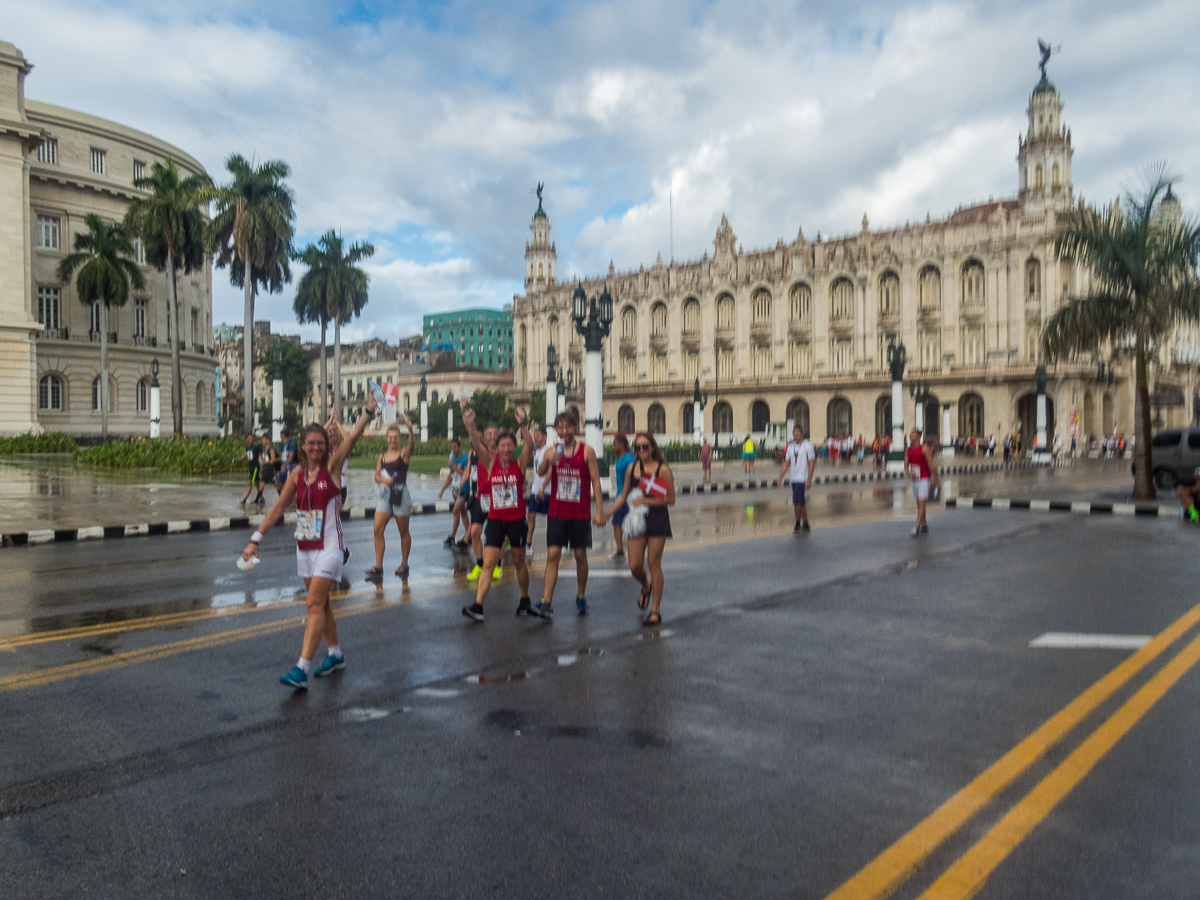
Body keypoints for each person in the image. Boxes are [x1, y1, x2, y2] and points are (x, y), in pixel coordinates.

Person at [241, 395, 377, 689]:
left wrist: (368, 412)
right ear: (302, 445)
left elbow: (352, 438)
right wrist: (255, 540)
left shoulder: (334, 467)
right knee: (322, 605)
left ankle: (301, 668)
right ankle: (335, 655)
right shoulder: (296, 475)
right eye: (311, 443)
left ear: (328, 446)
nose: (317, 447)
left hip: (330, 546)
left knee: (313, 604)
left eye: (321, 443)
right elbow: (277, 509)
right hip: (304, 547)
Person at [461, 406, 536, 621]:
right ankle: (478, 606)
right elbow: (476, 443)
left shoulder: (519, 464)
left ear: (513, 447)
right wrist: (471, 424)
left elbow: (529, 445)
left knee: (519, 562)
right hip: (495, 520)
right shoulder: (491, 462)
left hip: (516, 521)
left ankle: (524, 599)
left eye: (509, 445)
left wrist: (522, 424)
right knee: (488, 563)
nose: (504, 448)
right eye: (502, 445)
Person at [536, 410, 606, 618]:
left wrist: (600, 511)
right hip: (557, 511)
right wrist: (546, 459)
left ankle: (581, 595)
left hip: (579, 513)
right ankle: (546, 601)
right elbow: (540, 474)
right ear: (556, 429)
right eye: (560, 428)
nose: (564, 431)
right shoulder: (553, 450)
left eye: (568, 427)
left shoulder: (586, 451)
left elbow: (595, 481)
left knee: (579, 555)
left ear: (575, 428)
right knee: (553, 555)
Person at [606, 432, 675, 626]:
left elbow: (670, 499)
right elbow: (622, 496)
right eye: (638, 447)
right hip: (636, 522)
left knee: (654, 563)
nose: (642, 450)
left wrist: (645, 499)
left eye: (645, 446)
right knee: (634, 565)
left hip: (656, 520)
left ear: (653, 447)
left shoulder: (662, 469)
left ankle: (656, 610)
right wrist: (606, 514)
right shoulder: (632, 468)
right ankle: (646, 586)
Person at [366, 416, 416, 579]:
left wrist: (409, 429)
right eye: (390, 437)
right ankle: (379, 566)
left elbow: (412, 447)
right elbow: (376, 476)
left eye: (396, 437)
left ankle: (405, 563)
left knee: (403, 531)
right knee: (377, 529)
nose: (393, 439)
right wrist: (383, 479)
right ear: (387, 438)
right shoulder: (382, 456)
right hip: (385, 494)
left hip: (400, 493)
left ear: (399, 439)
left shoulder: (403, 453)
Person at [463, 419, 504, 583]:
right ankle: (479, 564)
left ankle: (498, 565)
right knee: (474, 532)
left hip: (498, 498)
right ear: (484, 437)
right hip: (481, 498)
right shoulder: (480, 451)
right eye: (489, 434)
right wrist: (470, 422)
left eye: (495, 433)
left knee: (499, 535)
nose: (492, 436)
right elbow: (473, 437)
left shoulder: (504, 452)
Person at [777, 424, 816, 532]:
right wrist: (781, 477)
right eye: (794, 434)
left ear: (802, 434)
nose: (796, 436)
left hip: (802, 478)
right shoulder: (790, 446)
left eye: (798, 434)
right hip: (794, 478)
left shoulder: (808, 446)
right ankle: (806, 523)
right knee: (801, 503)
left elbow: (812, 464)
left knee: (796, 502)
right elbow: (786, 463)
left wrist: (809, 480)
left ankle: (798, 523)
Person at [904, 428, 941, 537]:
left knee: (921, 502)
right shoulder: (909, 450)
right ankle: (924, 524)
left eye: (913, 434)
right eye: (910, 434)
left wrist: (937, 481)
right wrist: (909, 473)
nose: (911, 436)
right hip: (915, 479)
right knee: (920, 504)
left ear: (919, 436)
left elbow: (932, 465)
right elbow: (906, 465)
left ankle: (916, 527)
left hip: (924, 479)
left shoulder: (924, 449)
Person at [327, 420, 352, 565]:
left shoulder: (344, 448)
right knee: (330, 520)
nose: (332, 433)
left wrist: (337, 422)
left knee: (334, 518)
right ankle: (339, 549)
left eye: (334, 430)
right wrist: (330, 421)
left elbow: (348, 438)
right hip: (327, 486)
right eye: (330, 431)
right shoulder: (324, 448)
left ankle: (341, 550)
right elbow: (319, 433)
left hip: (340, 486)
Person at [525, 422, 551, 554]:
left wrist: (543, 487)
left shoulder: (548, 450)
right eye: (534, 435)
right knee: (531, 514)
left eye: (538, 435)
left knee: (552, 518)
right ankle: (528, 544)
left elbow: (551, 471)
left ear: (545, 436)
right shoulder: (537, 452)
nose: (535, 437)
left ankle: (558, 542)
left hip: (547, 490)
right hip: (535, 489)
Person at [609, 434, 636, 559]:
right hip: (620, 496)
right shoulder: (620, 459)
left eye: (615, 443)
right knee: (617, 522)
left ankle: (635, 548)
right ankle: (620, 549)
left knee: (632, 524)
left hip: (629, 497)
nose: (613, 446)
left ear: (622, 444)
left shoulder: (629, 459)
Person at [439, 439, 468, 547]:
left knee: (456, 510)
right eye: (451, 447)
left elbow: (466, 473)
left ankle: (452, 536)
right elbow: (451, 476)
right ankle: (468, 534)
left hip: (464, 489)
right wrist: (442, 490)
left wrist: (455, 466)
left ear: (459, 447)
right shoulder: (453, 460)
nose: (453, 449)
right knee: (463, 513)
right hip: (455, 490)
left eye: (455, 447)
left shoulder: (465, 459)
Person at [240, 435, 261, 505]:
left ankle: (245, 499)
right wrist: (238, 460)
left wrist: (261, 466)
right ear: (247, 440)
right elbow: (245, 455)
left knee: (250, 482)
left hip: (256, 467)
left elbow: (260, 456)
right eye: (249, 438)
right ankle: (262, 498)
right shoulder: (248, 448)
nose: (250, 440)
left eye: (251, 438)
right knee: (257, 483)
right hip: (251, 467)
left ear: (254, 439)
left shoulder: (257, 447)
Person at [274, 429, 296, 495]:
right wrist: (276, 459)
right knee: (278, 485)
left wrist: (285, 466)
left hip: (289, 467)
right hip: (284, 467)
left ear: (283, 435)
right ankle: (283, 500)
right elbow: (284, 457)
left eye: (281, 435)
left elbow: (290, 457)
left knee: (288, 485)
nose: (280, 437)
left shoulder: (291, 443)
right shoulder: (285, 445)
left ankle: (289, 500)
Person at [257, 435, 277, 504]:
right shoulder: (264, 449)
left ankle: (257, 500)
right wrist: (261, 468)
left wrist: (264, 462)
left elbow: (273, 459)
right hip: (265, 469)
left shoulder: (271, 449)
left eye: (263, 440)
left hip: (270, 469)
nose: (262, 441)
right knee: (262, 484)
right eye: (262, 440)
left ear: (268, 440)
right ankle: (259, 500)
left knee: (277, 485)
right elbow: (263, 459)